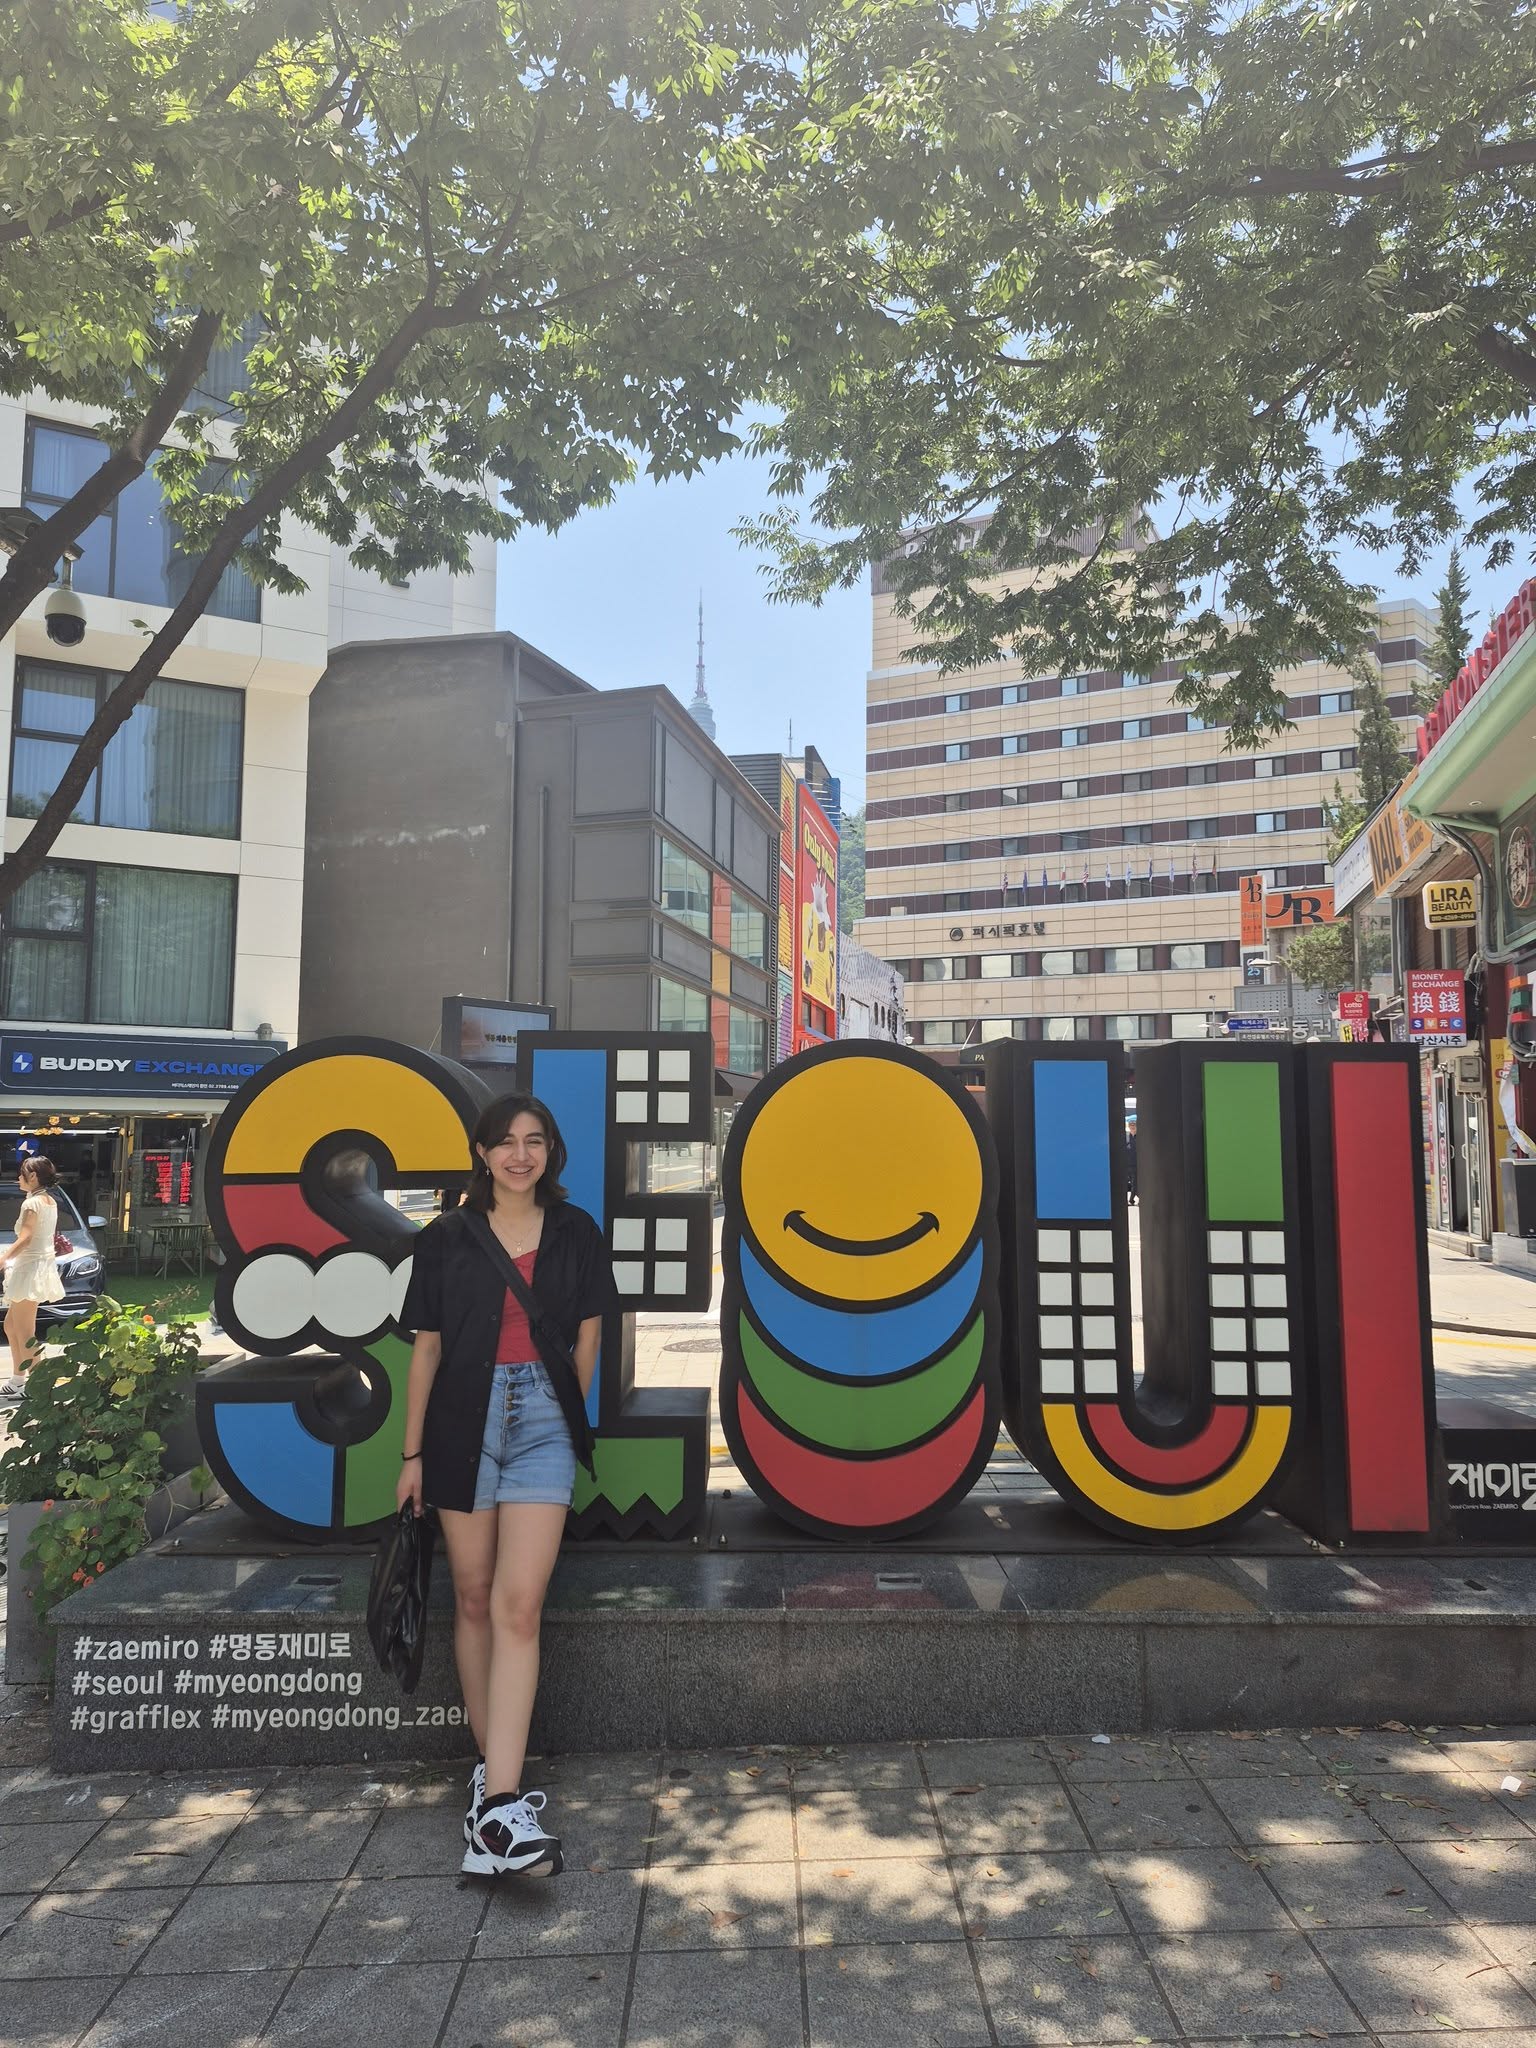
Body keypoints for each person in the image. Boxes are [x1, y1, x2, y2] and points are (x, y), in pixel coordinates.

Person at [397, 1096, 616, 1878]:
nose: (521, 1155)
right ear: (482, 1153)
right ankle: (494, 1786)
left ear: (551, 1152)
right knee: (475, 1594)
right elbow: (426, 1351)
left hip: (543, 1425)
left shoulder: (577, 1231)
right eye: (506, 1143)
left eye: (535, 1142)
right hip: (461, 1418)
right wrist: (412, 1455)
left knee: (521, 1604)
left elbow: (589, 1335)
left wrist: (564, 1410)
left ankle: (501, 1804)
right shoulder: (446, 1239)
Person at [0, 1155, 65, 1401]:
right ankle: (18, 1380)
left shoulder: (32, 1204)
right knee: (11, 1326)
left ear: (33, 1176)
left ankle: (38, 1384)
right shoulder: (47, 1201)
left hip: (29, 1269)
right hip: (35, 1267)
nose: (18, 1177)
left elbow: (25, 1238)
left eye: (22, 1173)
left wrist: (3, 1259)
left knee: (25, 1331)